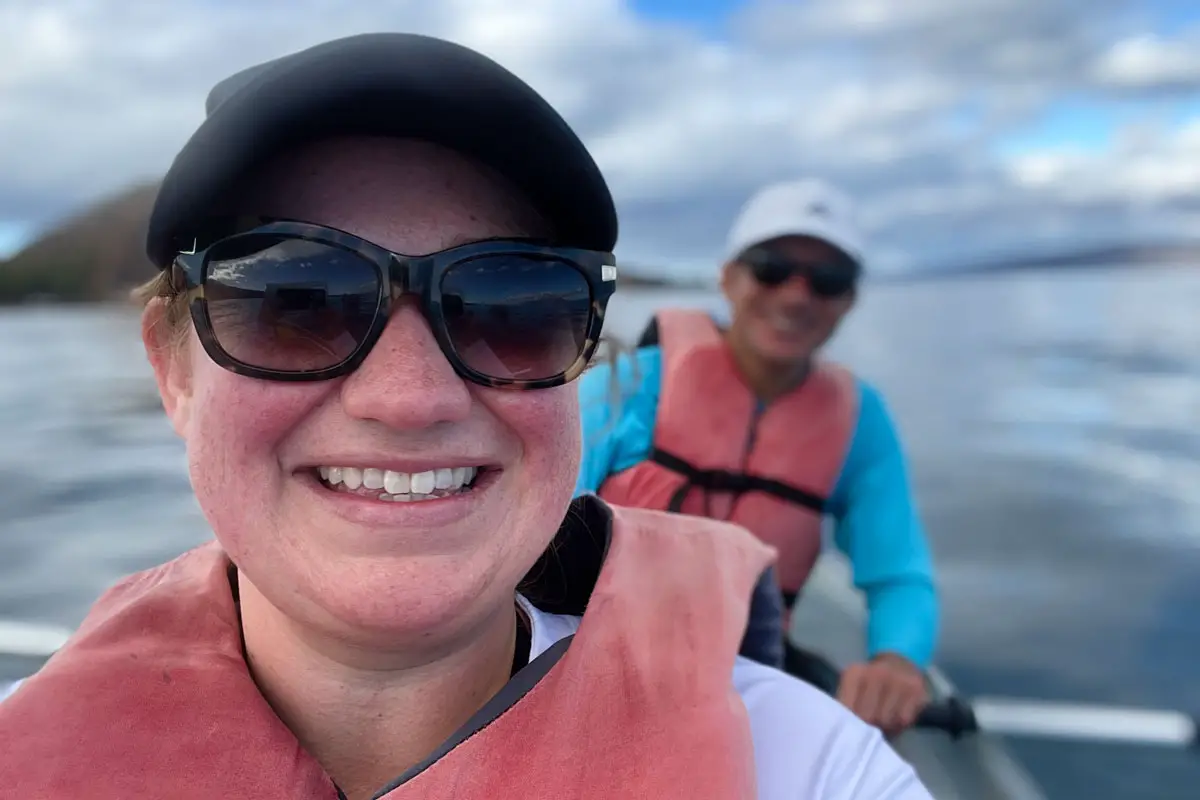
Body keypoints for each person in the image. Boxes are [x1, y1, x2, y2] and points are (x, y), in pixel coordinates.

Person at [0, 33, 934, 799]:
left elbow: (895, 566)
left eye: (515, 306)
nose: (410, 401)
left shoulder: (806, 768)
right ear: (174, 373)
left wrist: (895, 655)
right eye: (293, 299)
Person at [576, 178, 939, 736]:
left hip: (749, 676)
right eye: (771, 268)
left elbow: (898, 573)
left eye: (828, 280)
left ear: (849, 300)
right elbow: (532, 532)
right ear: (728, 278)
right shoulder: (628, 386)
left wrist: (896, 661)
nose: (796, 295)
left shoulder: (860, 421)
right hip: (589, 657)